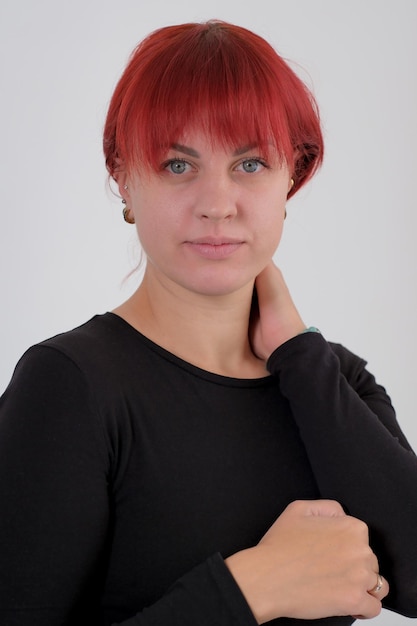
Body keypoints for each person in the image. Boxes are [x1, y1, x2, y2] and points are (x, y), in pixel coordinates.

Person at [0, 19, 416, 626]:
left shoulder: (332, 380)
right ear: (122, 174)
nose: (217, 203)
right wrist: (251, 588)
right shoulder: (70, 388)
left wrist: (298, 354)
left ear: (291, 176)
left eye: (250, 164)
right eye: (177, 165)